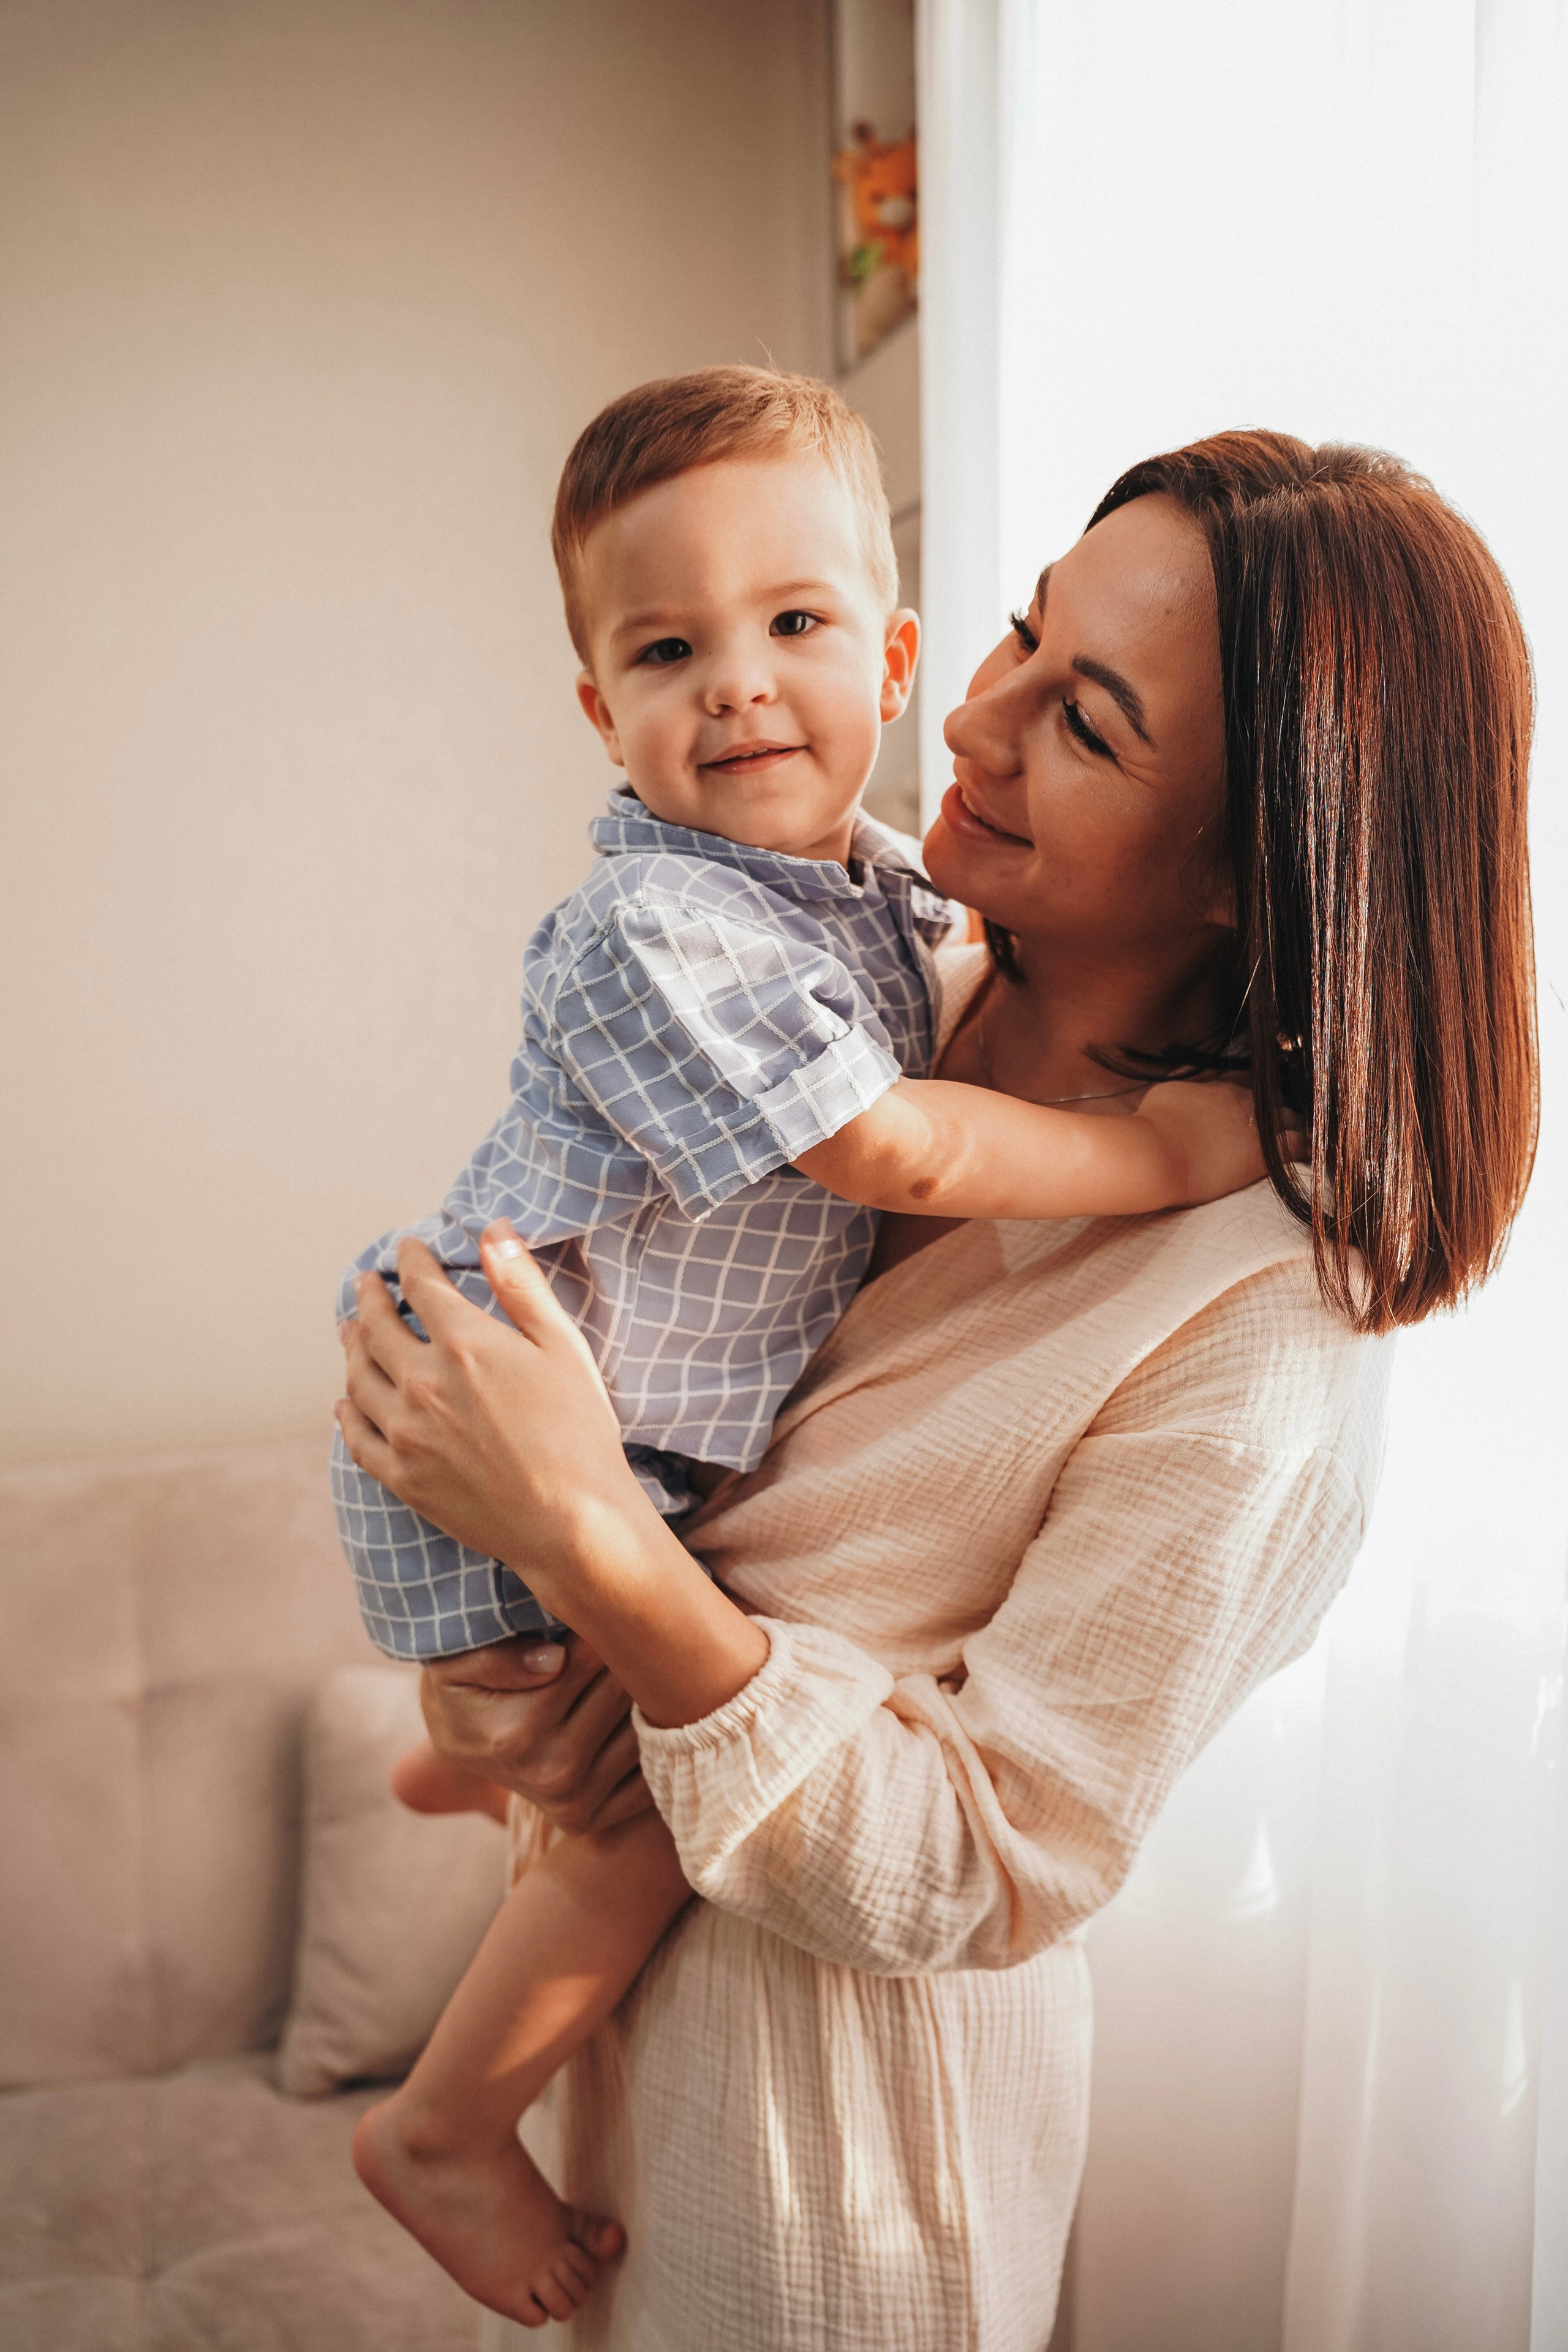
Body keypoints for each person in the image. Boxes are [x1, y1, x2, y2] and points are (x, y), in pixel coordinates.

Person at [336, 431, 1538, 2351]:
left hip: (839, 2193)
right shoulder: (892, 995)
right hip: (610, 2095)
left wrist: (590, 1542)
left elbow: (991, 1861)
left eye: (1088, 720)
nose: (969, 720)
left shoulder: (1264, 1331)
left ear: (1258, 869)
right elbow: (657, 1465)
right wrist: (496, 1691)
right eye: (1020, 635)